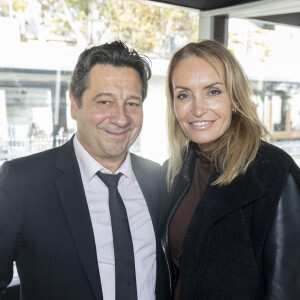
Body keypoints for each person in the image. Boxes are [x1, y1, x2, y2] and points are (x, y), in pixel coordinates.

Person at [0, 41, 162, 300]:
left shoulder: (159, 181)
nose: (121, 118)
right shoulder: (23, 183)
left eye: (132, 103)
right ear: (75, 105)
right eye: (105, 101)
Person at [157, 40, 300, 300]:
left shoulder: (274, 173)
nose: (198, 109)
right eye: (184, 95)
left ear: (234, 97)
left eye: (213, 91)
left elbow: (287, 290)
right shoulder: (175, 172)